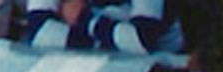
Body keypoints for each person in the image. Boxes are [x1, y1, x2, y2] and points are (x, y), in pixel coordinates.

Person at [23, 0, 186, 54]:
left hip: (155, 67)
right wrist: (103, 38)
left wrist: (85, 20)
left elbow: (141, 41)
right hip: (89, 66)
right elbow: (39, 34)